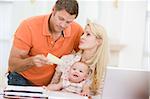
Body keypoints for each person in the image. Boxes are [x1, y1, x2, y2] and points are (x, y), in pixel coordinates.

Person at [7, 0, 83, 86]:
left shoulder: (77, 30)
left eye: (68, 22)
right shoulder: (28, 26)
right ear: (53, 10)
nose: (63, 25)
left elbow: (85, 57)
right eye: (61, 19)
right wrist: (31, 61)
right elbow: (13, 65)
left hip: (51, 85)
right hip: (22, 78)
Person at [47, 19, 109, 96]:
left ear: (98, 41)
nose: (82, 37)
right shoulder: (66, 60)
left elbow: (101, 96)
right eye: (83, 34)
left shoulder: (101, 69)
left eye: (88, 34)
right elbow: (50, 89)